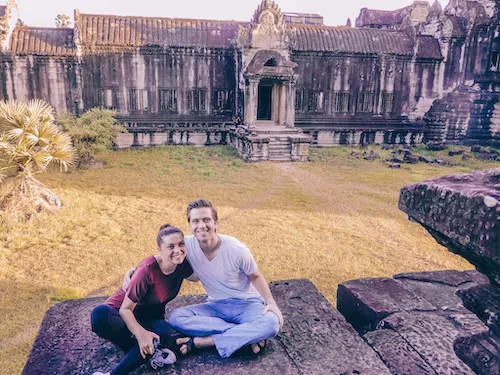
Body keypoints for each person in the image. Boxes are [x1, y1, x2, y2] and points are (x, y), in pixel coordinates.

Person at [168, 199, 283, 358]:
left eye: (206, 219)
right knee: (175, 317)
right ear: (190, 225)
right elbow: (162, 257)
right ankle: (245, 335)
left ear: (215, 223)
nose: (201, 225)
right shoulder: (187, 245)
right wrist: (133, 271)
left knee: (271, 323)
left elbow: (255, 275)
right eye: (196, 221)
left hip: (247, 305)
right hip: (216, 307)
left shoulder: (236, 249)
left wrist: (271, 303)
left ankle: (202, 342)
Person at [90, 224, 194, 375]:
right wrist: (141, 334)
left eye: (181, 244)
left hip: (147, 318)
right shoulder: (147, 270)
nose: (177, 250)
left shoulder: (182, 264)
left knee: (166, 332)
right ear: (160, 249)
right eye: (170, 246)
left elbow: (201, 275)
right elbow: (125, 310)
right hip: (120, 316)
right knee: (99, 314)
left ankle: (146, 349)